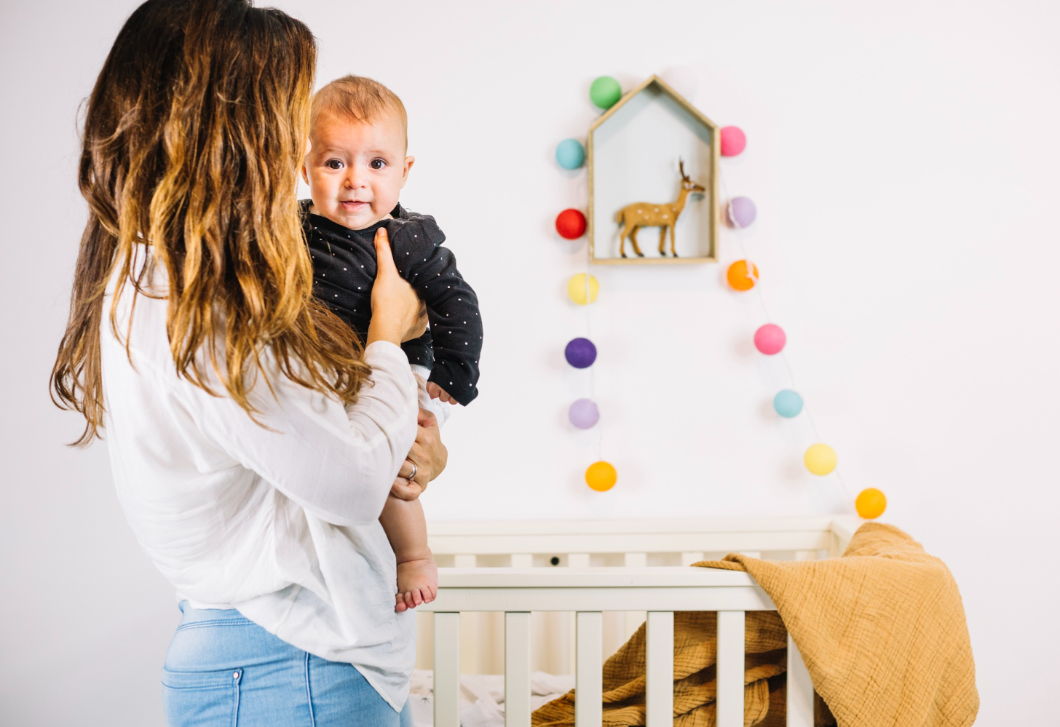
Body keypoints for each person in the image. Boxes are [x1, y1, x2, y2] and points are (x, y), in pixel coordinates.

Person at [49, 1, 439, 724]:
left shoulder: (174, 279)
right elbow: (353, 480)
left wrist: (408, 443)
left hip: (284, 663)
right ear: (239, 134)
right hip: (294, 665)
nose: (301, 142)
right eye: (290, 120)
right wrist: (389, 334)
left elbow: (332, 448)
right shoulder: (197, 304)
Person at [301, 75, 483, 612]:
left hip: (400, 374)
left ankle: (413, 556)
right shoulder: (289, 231)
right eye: (335, 163)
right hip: (326, 377)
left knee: (393, 465)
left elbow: (457, 301)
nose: (355, 180)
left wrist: (454, 373)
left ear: (404, 171)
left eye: (376, 164)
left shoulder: (409, 239)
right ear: (303, 165)